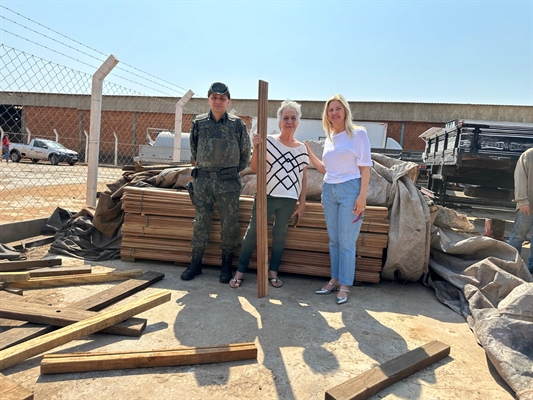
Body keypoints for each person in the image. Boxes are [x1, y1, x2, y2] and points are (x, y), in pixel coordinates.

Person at [229, 100, 309, 289]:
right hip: (266, 196)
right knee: (253, 233)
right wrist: (256, 148)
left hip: (289, 199)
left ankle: (273, 271)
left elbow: (303, 177)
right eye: (285, 118)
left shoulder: (302, 148)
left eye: (293, 118)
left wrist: (302, 202)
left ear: (298, 121)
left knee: (280, 235)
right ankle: (240, 271)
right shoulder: (269, 141)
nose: (289, 121)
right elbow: (256, 168)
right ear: (279, 121)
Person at [181, 82, 252, 283]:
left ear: (228, 101)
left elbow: (245, 153)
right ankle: (196, 264)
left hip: (228, 183)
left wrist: (230, 171)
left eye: (222, 98)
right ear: (209, 100)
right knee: (200, 223)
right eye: (214, 97)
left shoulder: (237, 124)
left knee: (229, 225)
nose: (218, 101)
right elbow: (194, 150)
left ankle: (226, 266)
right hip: (203, 182)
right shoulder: (199, 123)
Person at [305, 94, 372, 305]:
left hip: (350, 190)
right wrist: (309, 154)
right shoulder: (331, 138)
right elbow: (327, 169)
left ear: (345, 111)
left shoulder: (358, 134)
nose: (334, 113)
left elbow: (365, 167)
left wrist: (362, 196)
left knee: (347, 241)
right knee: (334, 240)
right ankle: (334, 279)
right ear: (327, 114)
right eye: (330, 110)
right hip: (329, 190)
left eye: (338, 108)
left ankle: (345, 285)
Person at [508, 147, 533, 273]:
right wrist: (522, 201)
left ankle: (532, 269)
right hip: (527, 205)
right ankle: (511, 265)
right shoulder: (528, 155)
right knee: (518, 236)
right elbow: (520, 178)